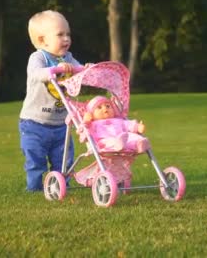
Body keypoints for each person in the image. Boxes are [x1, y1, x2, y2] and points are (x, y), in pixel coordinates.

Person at [19, 10, 84, 192]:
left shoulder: (68, 58)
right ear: (42, 40)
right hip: (34, 123)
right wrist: (54, 70)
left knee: (63, 159)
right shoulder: (38, 58)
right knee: (35, 159)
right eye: (60, 34)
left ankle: (61, 187)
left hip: (62, 123)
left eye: (68, 34)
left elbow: (79, 70)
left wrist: (86, 69)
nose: (66, 39)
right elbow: (36, 74)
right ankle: (34, 188)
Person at [82, 96, 151, 153]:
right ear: (92, 114)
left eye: (108, 106)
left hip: (123, 137)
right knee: (109, 141)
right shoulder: (94, 124)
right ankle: (117, 144)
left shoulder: (118, 120)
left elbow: (128, 124)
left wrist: (137, 127)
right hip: (104, 141)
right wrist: (87, 121)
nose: (105, 108)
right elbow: (87, 131)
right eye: (99, 107)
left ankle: (139, 144)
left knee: (131, 136)